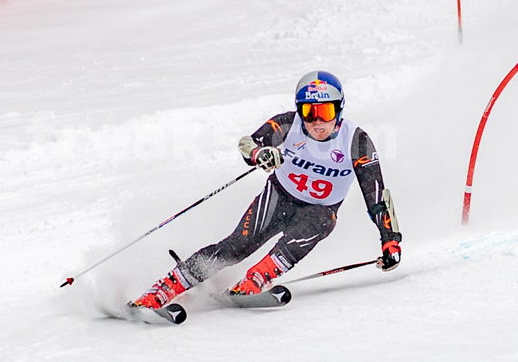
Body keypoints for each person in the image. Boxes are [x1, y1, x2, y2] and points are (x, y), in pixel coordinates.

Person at [128, 70, 401, 319]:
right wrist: (260, 154)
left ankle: (256, 279)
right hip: (278, 199)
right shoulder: (287, 125)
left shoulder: (357, 142)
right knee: (236, 247)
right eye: (309, 113)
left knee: (324, 221)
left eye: (326, 112)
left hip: (318, 210)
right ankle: (161, 291)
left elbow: (376, 195)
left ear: (339, 110)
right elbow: (248, 143)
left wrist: (390, 241)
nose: (317, 121)